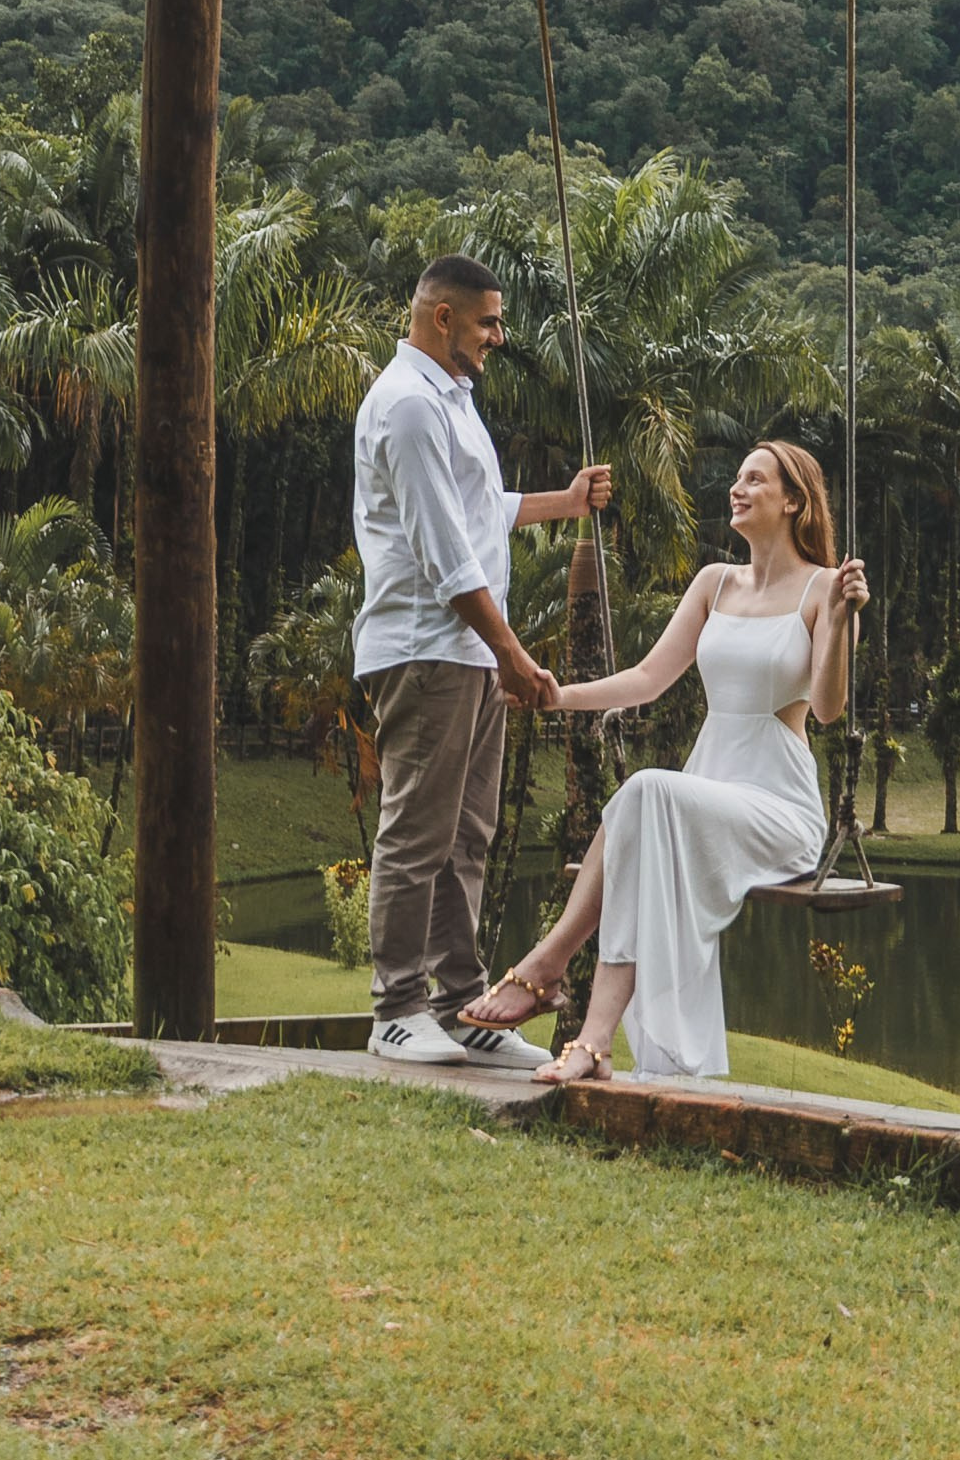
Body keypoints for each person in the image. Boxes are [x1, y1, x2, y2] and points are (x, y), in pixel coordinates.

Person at [459, 440, 867, 1083]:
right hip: (708, 790)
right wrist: (558, 696)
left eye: (755, 479)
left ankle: (549, 966)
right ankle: (591, 1041)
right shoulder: (714, 583)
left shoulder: (827, 590)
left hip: (778, 808)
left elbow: (825, 710)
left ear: (793, 500)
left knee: (647, 794)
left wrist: (841, 624)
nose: (737, 488)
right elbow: (648, 678)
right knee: (647, 808)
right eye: (736, 477)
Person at [352, 253, 610, 1069]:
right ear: (442, 319)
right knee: (416, 835)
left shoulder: (451, 403)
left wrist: (562, 502)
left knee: (468, 836)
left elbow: (478, 512)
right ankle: (395, 1009)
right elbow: (441, 553)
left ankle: (459, 1008)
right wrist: (512, 654)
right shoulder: (407, 407)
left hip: (464, 651)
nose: (500, 337)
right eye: (488, 322)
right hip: (427, 648)